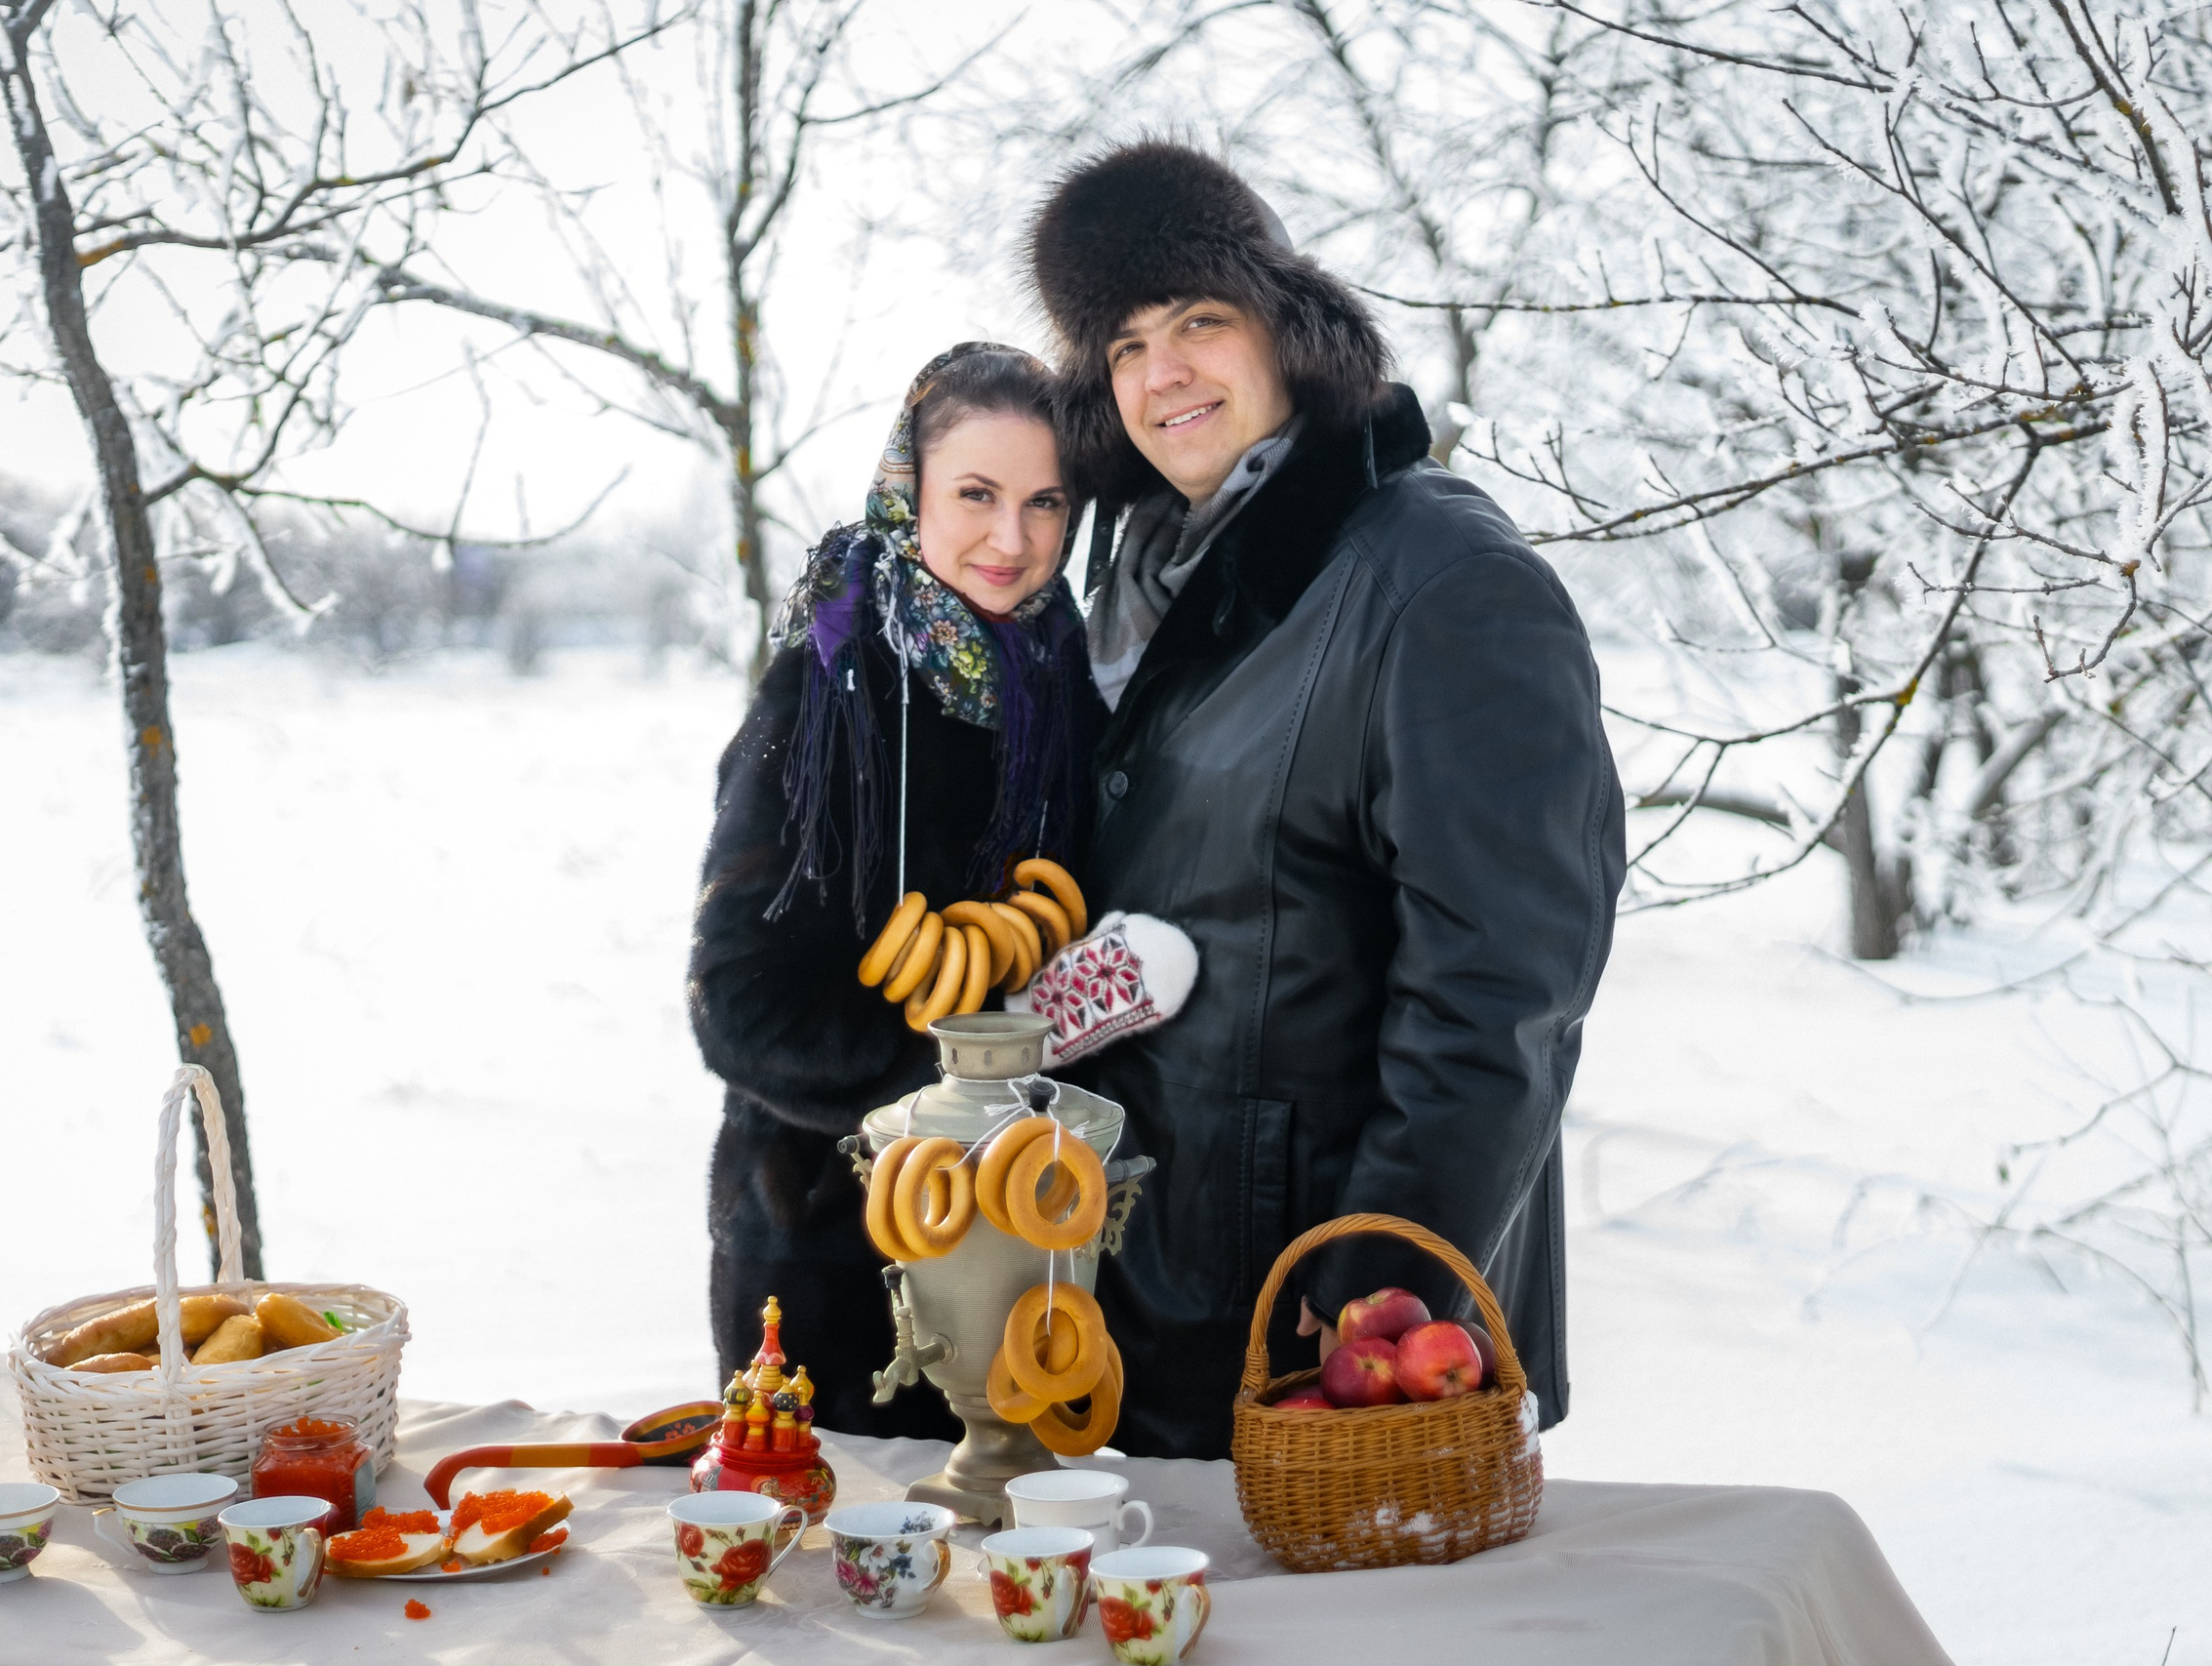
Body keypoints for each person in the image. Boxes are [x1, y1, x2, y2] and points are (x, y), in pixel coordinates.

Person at [1023, 140, 1627, 1457]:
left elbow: (1501, 999)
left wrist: (1368, 1305)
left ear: (1288, 331)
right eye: (1123, 345)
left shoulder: (1438, 579)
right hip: (1143, 1305)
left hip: (1327, 1339)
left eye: (1198, 320)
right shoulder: (1139, 582)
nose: (1162, 370)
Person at [689, 343, 1102, 1438]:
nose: (1010, 540)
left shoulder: (1073, 691)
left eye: (1044, 501)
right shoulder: (825, 699)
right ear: (906, 490)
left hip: (1042, 1262)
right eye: (975, 494)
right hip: (833, 1268)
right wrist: (968, 1068)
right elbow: (742, 1007)